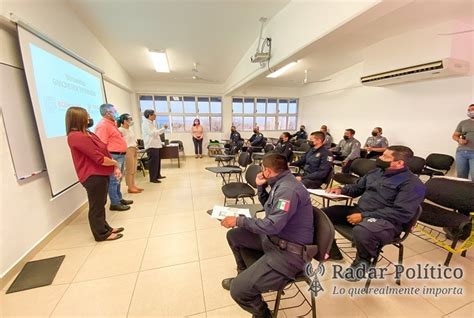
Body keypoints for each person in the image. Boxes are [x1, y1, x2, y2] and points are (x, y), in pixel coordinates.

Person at [220, 154, 314, 318]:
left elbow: (272, 225)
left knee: (238, 291)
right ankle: (243, 276)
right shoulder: (282, 182)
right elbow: (270, 208)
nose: (262, 171)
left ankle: (263, 314)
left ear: (268, 171)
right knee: (234, 236)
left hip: (289, 254)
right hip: (275, 240)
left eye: (263, 169)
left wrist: (238, 220)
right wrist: (260, 187)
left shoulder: (287, 190)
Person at [323, 146, 426, 281]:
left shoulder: (413, 184)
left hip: (387, 223)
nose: (380, 158)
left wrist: (364, 217)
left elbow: (401, 213)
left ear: (399, 163)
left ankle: (363, 262)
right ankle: (332, 251)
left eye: (385, 157)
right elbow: (358, 187)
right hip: (361, 211)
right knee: (322, 215)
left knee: (363, 230)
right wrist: (341, 190)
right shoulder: (376, 172)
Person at [66, 106, 124, 241]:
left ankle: (106, 228)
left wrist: (113, 166)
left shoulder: (88, 133)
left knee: (101, 202)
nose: (89, 118)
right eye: (86, 116)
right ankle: (101, 234)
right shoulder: (76, 137)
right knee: (96, 206)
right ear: (78, 118)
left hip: (101, 173)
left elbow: (103, 149)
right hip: (92, 175)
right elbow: (98, 158)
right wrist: (115, 164)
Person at [95, 104, 133, 211]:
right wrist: (110, 160)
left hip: (119, 155)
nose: (116, 113)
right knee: (113, 180)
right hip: (113, 156)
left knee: (118, 178)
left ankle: (119, 198)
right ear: (107, 113)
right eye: (114, 111)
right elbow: (101, 144)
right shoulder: (103, 125)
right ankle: (115, 203)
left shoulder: (112, 124)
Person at [118, 114, 143, 194]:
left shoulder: (130, 129)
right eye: (130, 119)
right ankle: (130, 187)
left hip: (134, 149)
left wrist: (136, 146)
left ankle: (133, 185)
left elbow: (133, 140)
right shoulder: (120, 130)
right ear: (125, 121)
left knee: (134, 169)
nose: (131, 121)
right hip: (127, 150)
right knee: (129, 169)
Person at [142, 109, 168, 183]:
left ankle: (157, 175)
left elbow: (155, 134)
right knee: (153, 163)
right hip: (151, 146)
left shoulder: (151, 123)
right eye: (154, 114)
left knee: (157, 162)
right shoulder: (145, 123)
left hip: (155, 146)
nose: (155, 116)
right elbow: (153, 133)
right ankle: (153, 178)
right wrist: (163, 128)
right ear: (149, 115)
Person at [452, 104, 474, 181]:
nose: (471, 111)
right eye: (469, 110)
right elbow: (454, 136)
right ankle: (462, 193)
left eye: (472, 109)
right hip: (461, 153)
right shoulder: (463, 123)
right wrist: (459, 140)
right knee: (461, 177)